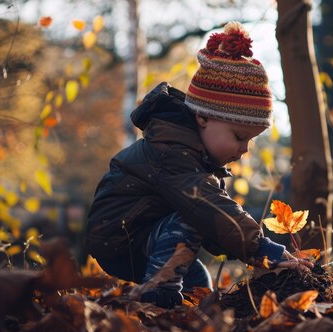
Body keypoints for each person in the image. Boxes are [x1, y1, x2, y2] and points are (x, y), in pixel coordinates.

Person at [86, 22, 312, 308]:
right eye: (239, 137)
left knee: (198, 285)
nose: (244, 149)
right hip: (121, 238)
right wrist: (263, 249)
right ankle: (157, 300)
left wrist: (252, 254)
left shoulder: (193, 158)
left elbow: (216, 232)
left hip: (148, 239)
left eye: (250, 141)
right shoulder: (171, 153)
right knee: (191, 217)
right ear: (203, 117)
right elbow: (209, 209)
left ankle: (187, 307)